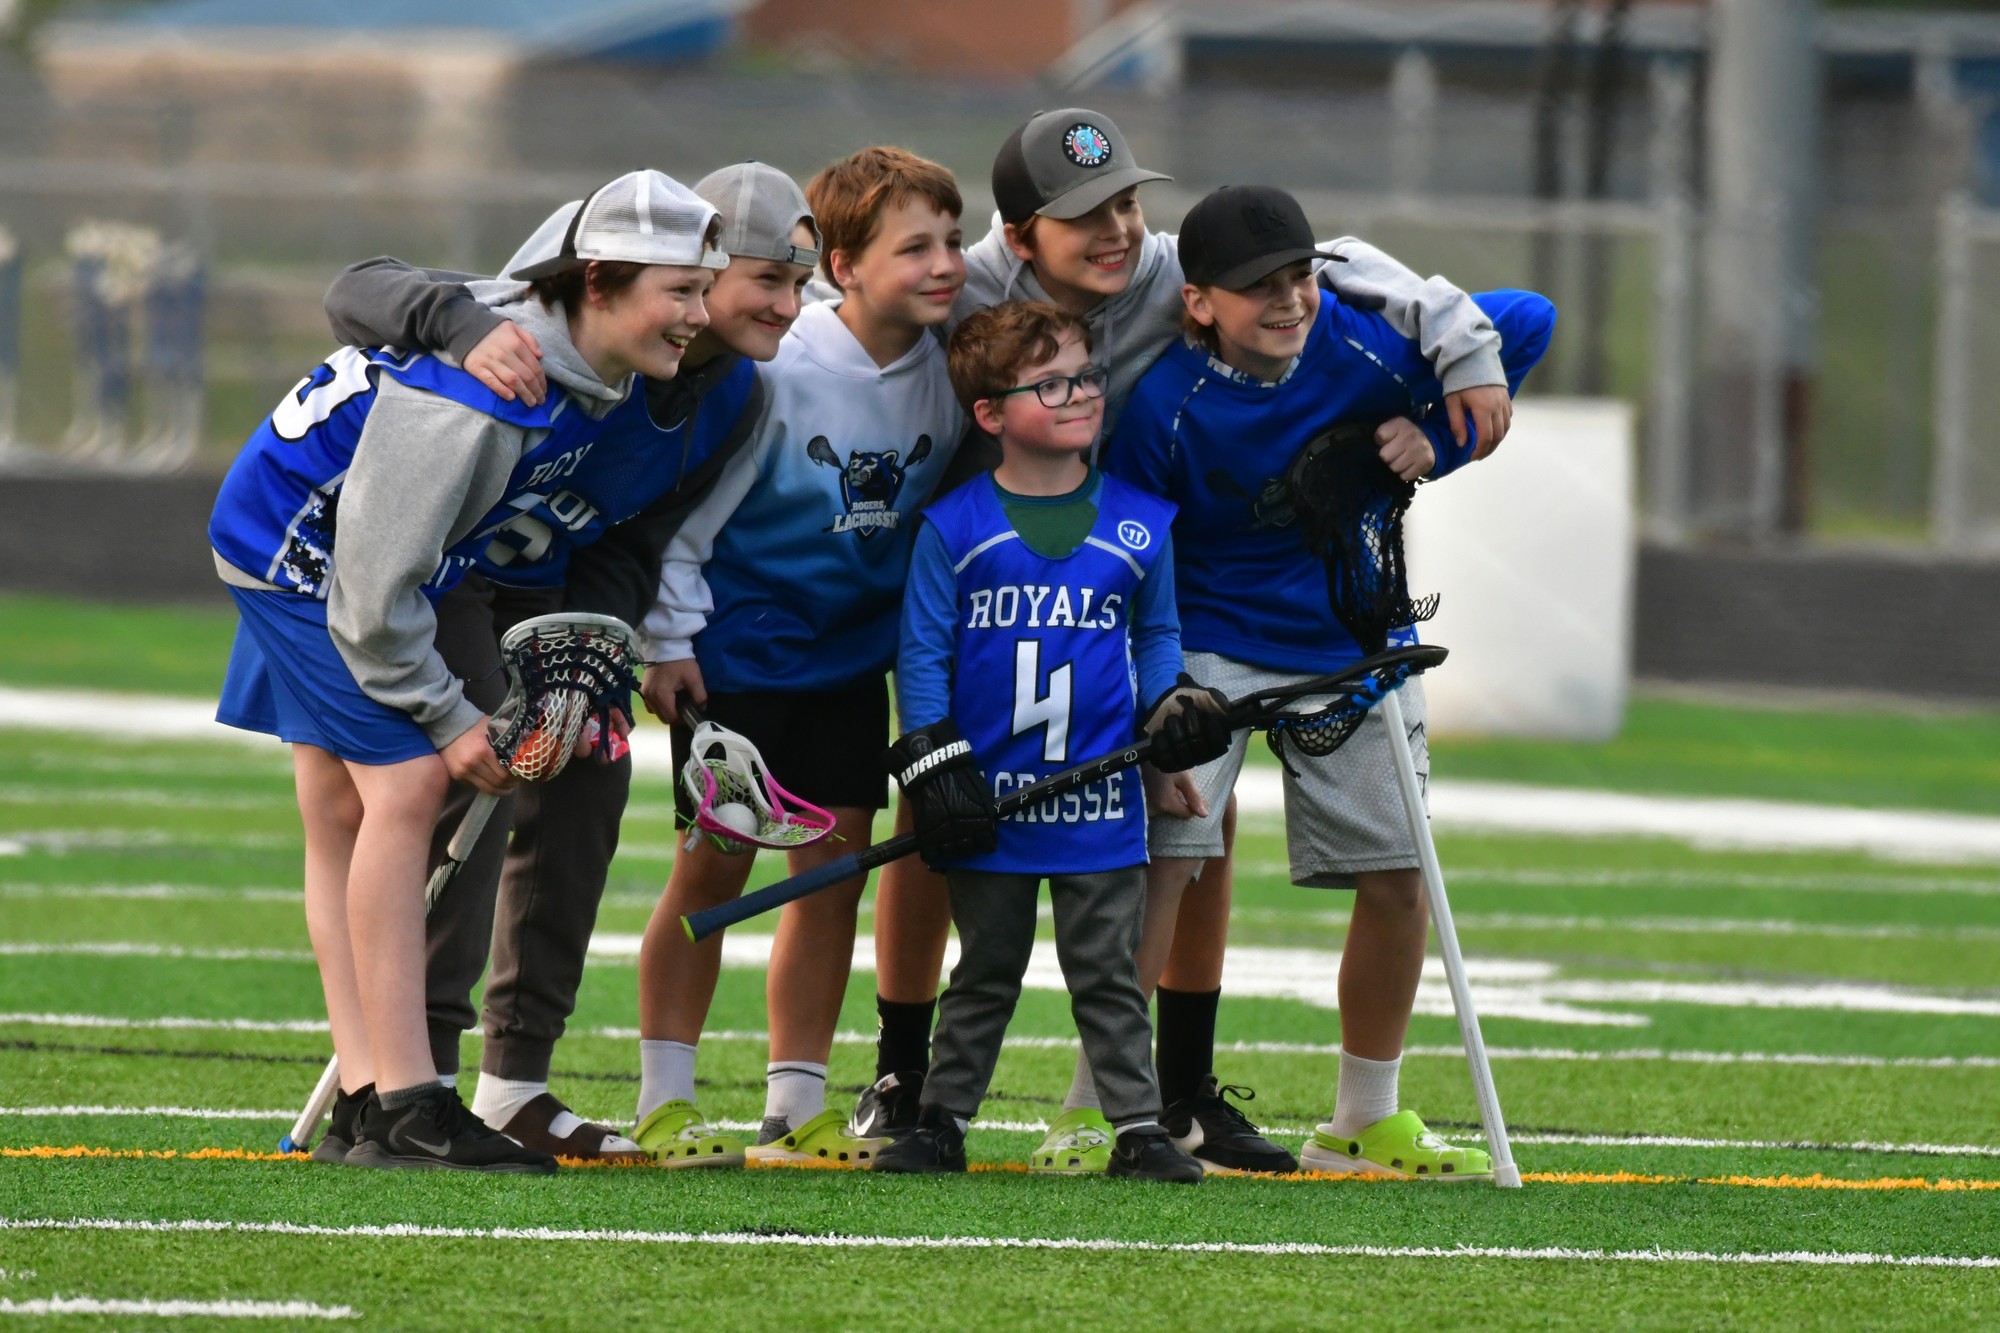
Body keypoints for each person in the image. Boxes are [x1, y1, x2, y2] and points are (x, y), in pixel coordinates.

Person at [863, 106, 1519, 1177]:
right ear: (1020, 237)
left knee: (1217, 852)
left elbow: (1343, 266)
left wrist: (1451, 407)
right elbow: (842, 322)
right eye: (1085, 215)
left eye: (1126, 201)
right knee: (953, 821)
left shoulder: (1186, 270)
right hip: (974, 564)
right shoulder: (968, 287)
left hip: (1217, 609)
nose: (1118, 230)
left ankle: (1193, 1096)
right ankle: (914, 1077)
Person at [209, 169, 727, 1171]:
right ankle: (412, 1101)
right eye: (679, 290)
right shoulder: (485, 391)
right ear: (597, 280)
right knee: (406, 785)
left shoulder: (577, 360)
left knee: (340, 807)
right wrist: (447, 715)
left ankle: (367, 1096)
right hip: (302, 551)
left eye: (703, 290)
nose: (698, 316)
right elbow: (374, 589)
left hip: (344, 548)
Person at [312, 164, 822, 1163]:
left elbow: (633, 537)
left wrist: (594, 648)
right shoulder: (565, 325)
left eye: (800, 285)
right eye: (766, 278)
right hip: (441, 572)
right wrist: (459, 325)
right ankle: (420, 1077)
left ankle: (515, 1079)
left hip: (544, 596)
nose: (788, 307)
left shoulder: (732, 396)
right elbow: (358, 289)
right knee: (479, 770)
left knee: (590, 765)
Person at [1103, 184, 1555, 1179]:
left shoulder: (1367, 344)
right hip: (1206, 643)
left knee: (1398, 878)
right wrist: (1157, 682)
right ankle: (1112, 1108)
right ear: (1197, 303)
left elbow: (1528, 317)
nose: (1288, 300)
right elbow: (1132, 548)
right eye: (1256, 286)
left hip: (1355, 639)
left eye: (1298, 276)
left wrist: (1442, 436)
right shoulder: (1162, 406)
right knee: (1165, 861)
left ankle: (1363, 1121)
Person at [632, 146, 967, 1166]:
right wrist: (668, 640)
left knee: (832, 880)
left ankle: (795, 1106)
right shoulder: (776, 366)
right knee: (713, 870)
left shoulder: (955, 374)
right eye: (915, 247)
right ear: (842, 266)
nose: (945, 264)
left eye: (953, 242)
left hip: (848, 667)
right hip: (739, 659)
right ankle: (663, 1099)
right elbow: (688, 522)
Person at [871, 300, 1227, 1181]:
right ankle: (941, 1119)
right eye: (1053, 383)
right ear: (990, 413)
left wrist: (1167, 711)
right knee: (985, 968)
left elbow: (1157, 634)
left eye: (1087, 375)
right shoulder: (954, 527)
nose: (1082, 394)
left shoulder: (1141, 523)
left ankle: (1136, 1127)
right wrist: (933, 764)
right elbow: (923, 653)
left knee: (1107, 971)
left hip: (1099, 801)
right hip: (990, 802)